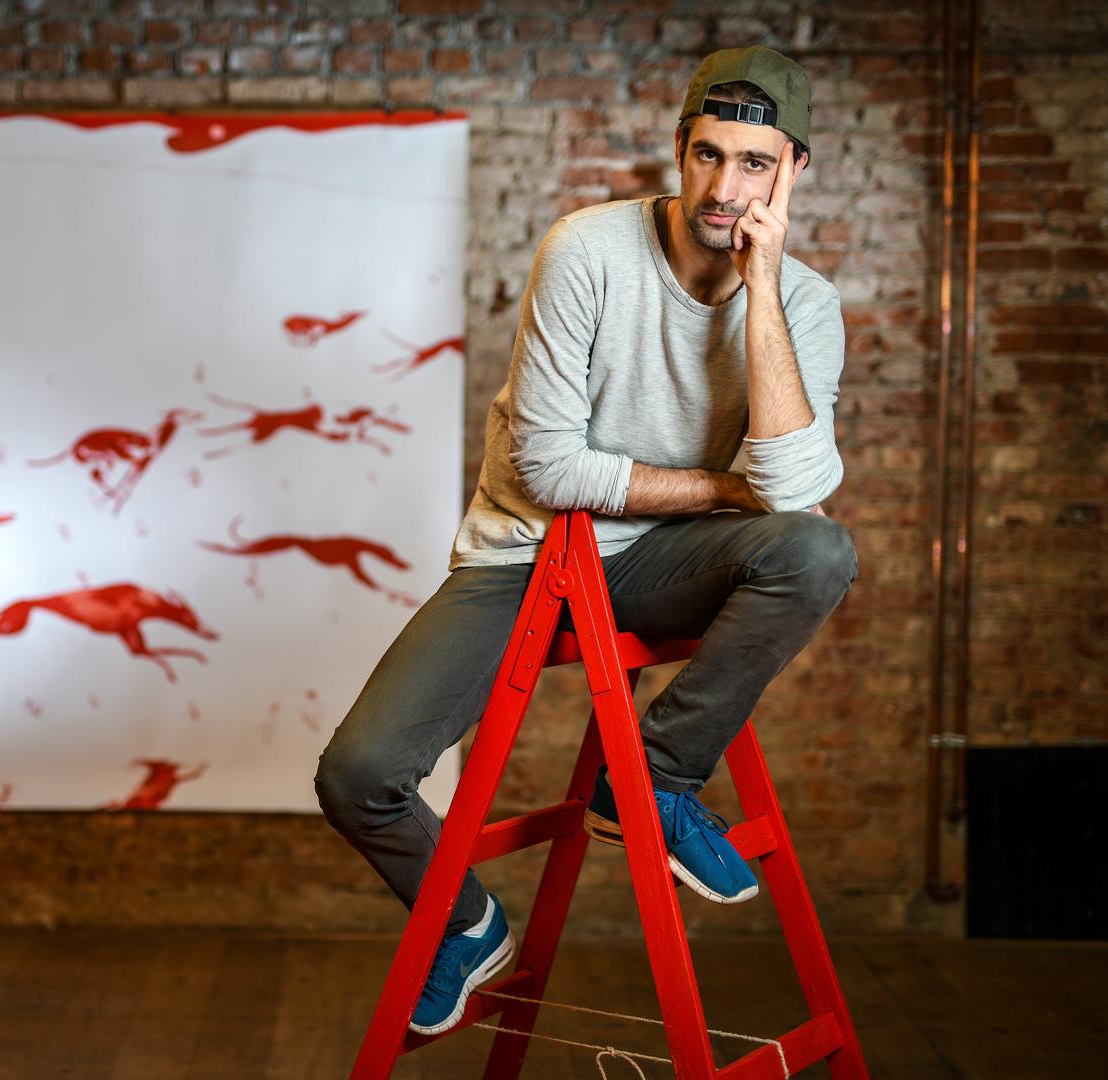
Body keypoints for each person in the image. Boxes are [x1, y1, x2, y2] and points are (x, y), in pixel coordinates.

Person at [314, 46, 858, 1037]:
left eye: (753, 163)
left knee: (816, 554)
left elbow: (790, 496)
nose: (724, 189)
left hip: (657, 564)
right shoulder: (587, 249)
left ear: (793, 171)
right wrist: (720, 487)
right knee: (357, 776)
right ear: (679, 148)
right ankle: (465, 925)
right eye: (707, 155)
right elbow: (550, 470)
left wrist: (763, 286)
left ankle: (654, 779)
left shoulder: (805, 307)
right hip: (527, 554)